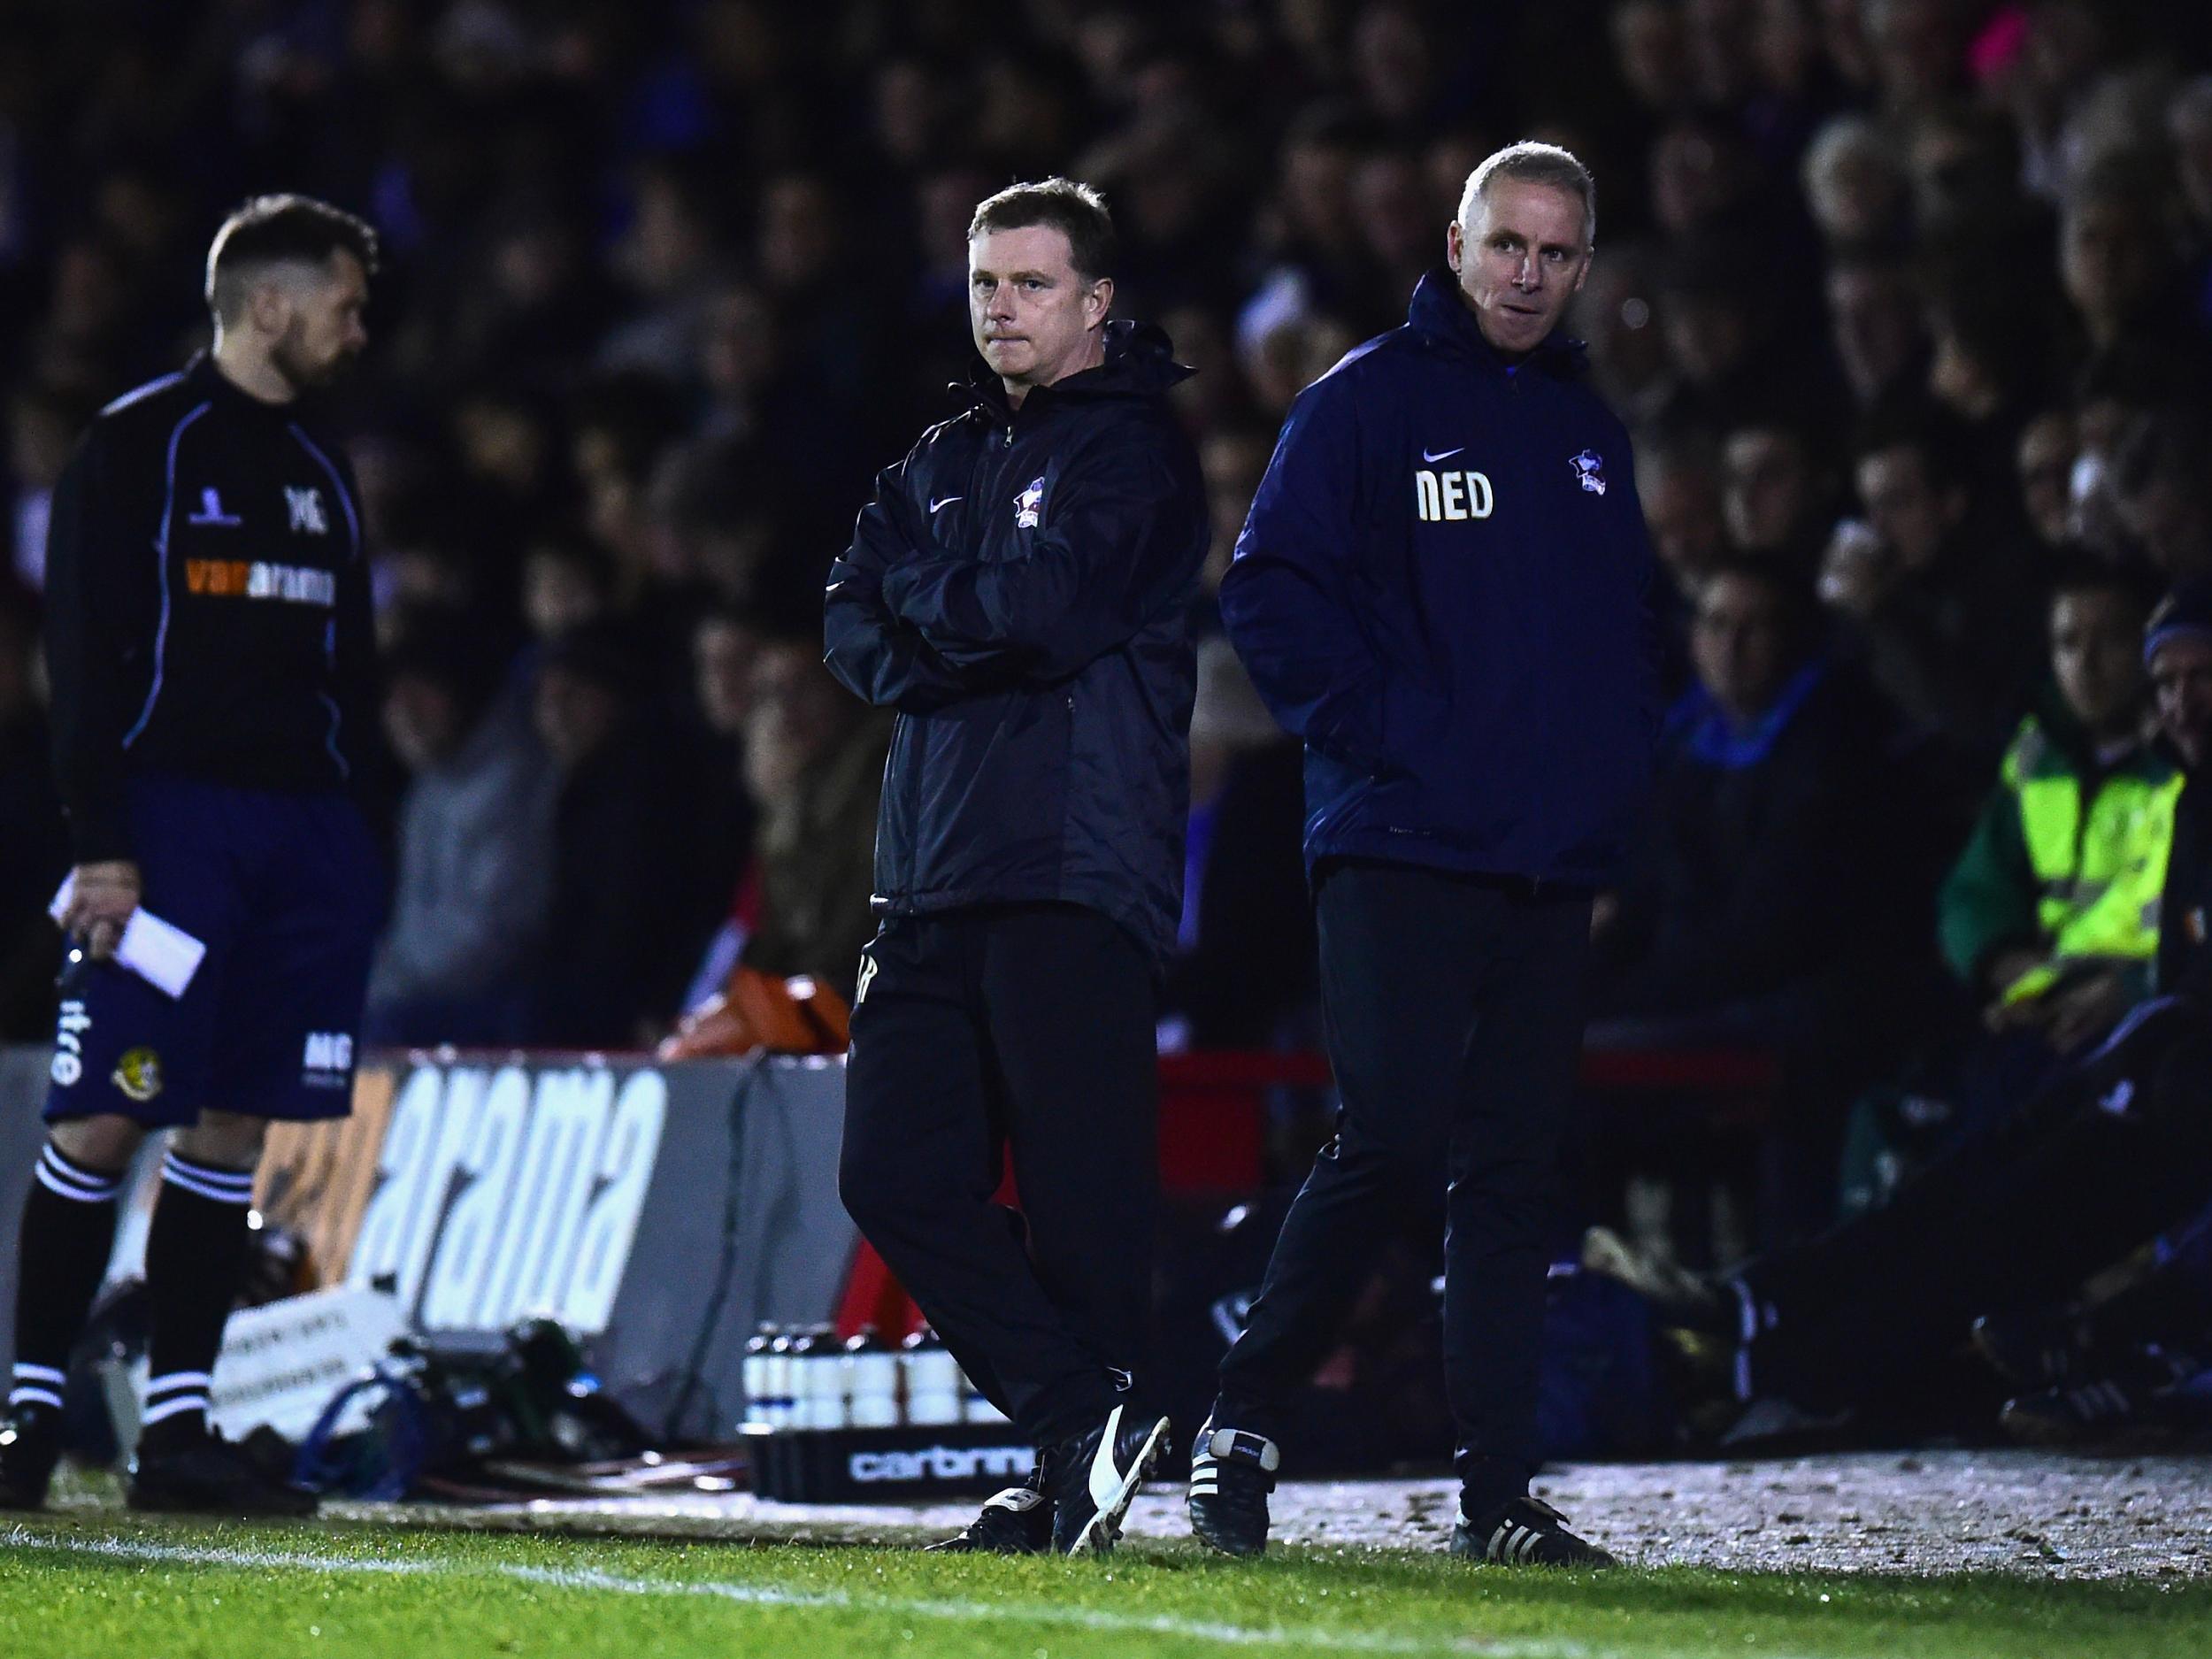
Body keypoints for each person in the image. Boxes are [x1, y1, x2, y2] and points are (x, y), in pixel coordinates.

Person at [1191, 142, 1655, 1569]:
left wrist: (1599, 802)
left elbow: (1619, 642)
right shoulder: (1367, 404)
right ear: (1457, 247)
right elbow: (1265, 592)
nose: (1530, 274)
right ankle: (1242, 1418)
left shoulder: (1588, 433)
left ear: (1584, 267)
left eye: (1558, 254)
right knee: (1391, 1138)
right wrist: (1387, 738)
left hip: (1542, 858)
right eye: (1508, 246)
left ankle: (1500, 1493)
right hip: (1399, 839)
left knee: (1513, 1165)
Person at [822, 178, 1208, 1557]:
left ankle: (1065, 1482)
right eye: (987, 283)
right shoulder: (933, 459)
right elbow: (844, 626)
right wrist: (950, 610)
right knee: (892, 1173)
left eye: (1033, 284)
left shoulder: (1136, 455)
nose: (1003, 307)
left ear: (1097, 302)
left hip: (1068, 864)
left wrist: (932, 601)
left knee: (1079, 1202)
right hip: (927, 873)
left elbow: (1046, 618)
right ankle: (1072, 1419)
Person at [0, 196, 381, 1516]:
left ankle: (178, 1436)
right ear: (268, 305)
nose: (358, 330)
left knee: (235, 1116)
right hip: (168, 832)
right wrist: (101, 843)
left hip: (302, 842)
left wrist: (352, 846)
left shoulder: (323, 473)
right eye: (343, 303)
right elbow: (77, 662)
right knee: (107, 1109)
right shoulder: (138, 448)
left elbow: (357, 681)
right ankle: (30, 1417)